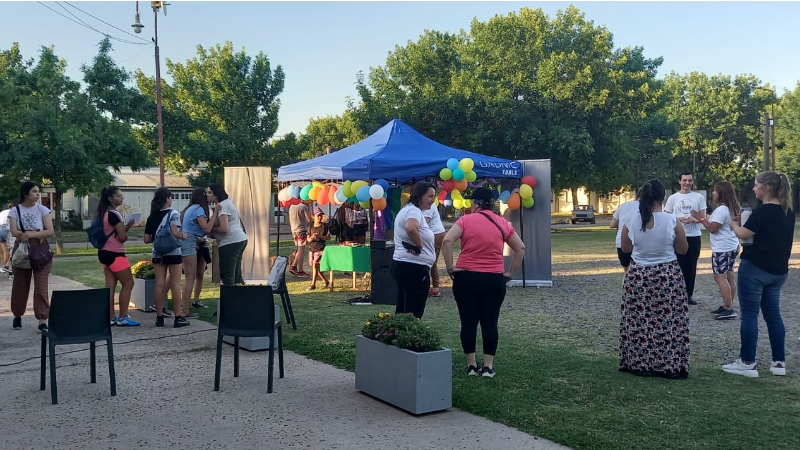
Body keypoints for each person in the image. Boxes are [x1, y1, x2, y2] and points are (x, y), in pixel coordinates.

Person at [441, 187, 525, 379]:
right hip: (493, 278)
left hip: (466, 276)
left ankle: (471, 365)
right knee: (490, 322)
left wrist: (449, 267)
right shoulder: (502, 223)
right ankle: (488, 367)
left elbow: (447, 241)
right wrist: (510, 272)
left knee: (468, 321)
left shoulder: (464, 221)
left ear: (476, 203)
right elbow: (520, 247)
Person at [723, 171, 794, 378]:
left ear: (766, 188)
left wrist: (734, 224)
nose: (753, 189)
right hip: (778, 271)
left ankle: (747, 363)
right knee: (773, 316)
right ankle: (778, 362)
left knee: (749, 317)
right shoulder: (787, 211)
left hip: (755, 269)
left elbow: (744, 234)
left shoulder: (763, 211)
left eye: (756, 185)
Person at [619, 179, 690, 379]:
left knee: (638, 320)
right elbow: (683, 249)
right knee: (669, 320)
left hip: (638, 276)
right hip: (666, 275)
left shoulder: (632, 220)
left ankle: (639, 362)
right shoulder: (672, 220)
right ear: (662, 198)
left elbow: (626, 248)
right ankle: (668, 364)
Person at [691, 181, 740, 320]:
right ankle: (727, 304)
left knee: (720, 277)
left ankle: (729, 309)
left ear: (721, 193)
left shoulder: (721, 210)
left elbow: (713, 228)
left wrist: (700, 217)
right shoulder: (732, 208)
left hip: (722, 248)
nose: (713, 193)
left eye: (715, 191)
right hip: (732, 245)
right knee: (729, 275)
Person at [8, 182, 54, 331]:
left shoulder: (43, 209)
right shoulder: (15, 211)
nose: (37, 194)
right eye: (34, 191)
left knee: (41, 285)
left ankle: (42, 319)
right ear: (25, 194)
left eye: (38, 191)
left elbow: (49, 230)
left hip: (40, 249)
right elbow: (14, 231)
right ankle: (17, 314)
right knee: (20, 284)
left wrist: (30, 234)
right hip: (22, 248)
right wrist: (32, 234)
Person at [144, 187, 189, 328]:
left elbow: (146, 239)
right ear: (167, 199)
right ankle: (178, 317)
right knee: (175, 283)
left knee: (159, 284)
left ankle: (159, 317)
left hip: (157, 252)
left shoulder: (152, 216)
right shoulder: (173, 213)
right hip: (173, 251)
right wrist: (183, 235)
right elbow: (175, 232)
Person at [391, 182, 437, 319]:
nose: (432, 200)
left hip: (405, 265)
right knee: (413, 312)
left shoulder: (408, 209)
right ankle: (406, 338)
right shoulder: (413, 211)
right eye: (430, 196)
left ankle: (396, 337)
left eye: (434, 196)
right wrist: (420, 246)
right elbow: (411, 228)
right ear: (419, 195)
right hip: (413, 268)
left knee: (403, 310)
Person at [96, 186, 140, 327]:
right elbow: (121, 238)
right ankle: (123, 317)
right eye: (119, 196)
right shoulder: (115, 214)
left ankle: (110, 316)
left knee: (110, 286)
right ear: (110, 198)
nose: (122, 198)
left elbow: (112, 232)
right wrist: (125, 231)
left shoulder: (103, 212)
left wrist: (126, 227)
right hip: (116, 253)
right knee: (128, 283)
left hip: (104, 252)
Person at [663, 171, 706, 305]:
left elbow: (703, 216)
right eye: (685, 180)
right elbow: (666, 217)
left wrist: (696, 219)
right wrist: (677, 219)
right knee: (677, 266)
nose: (687, 183)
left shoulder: (698, 197)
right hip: (677, 236)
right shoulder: (673, 198)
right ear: (679, 181)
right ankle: (676, 294)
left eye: (689, 180)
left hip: (693, 236)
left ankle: (688, 295)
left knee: (691, 266)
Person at [180, 187, 215, 315]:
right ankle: (185, 310)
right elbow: (206, 229)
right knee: (190, 277)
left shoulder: (189, 208)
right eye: (205, 194)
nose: (207, 195)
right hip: (189, 242)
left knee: (191, 276)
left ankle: (184, 308)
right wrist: (215, 213)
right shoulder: (199, 209)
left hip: (190, 241)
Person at [206, 184, 248, 286]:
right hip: (240, 239)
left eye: (210, 192)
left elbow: (224, 229)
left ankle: (230, 299)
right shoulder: (229, 203)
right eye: (206, 192)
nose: (207, 195)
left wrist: (212, 229)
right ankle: (241, 296)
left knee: (227, 274)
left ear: (217, 194)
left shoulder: (222, 206)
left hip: (230, 242)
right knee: (236, 274)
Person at [609, 192, 639, 269]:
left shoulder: (623, 206)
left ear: (636, 196)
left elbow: (612, 224)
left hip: (621, 242)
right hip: (639, 243)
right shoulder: (648, 207)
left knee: (627, 273)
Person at [423, 203, 446, 297]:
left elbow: (425, 222)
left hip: (435, 234)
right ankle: (434, 287)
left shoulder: (428, 205)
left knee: (431, 261)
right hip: (435, 233)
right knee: (431, 260)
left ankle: (434, 287)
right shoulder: (424, 204)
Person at [306, 207, 331, 291]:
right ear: (313, 217)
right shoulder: (310, 227)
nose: (320, 217)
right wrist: (312, 238)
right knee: (316, 267)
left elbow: (329, 237)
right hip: (312, 249)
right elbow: (308, 239)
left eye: (321, 216)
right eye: (318, 216)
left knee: (315, 265)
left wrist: (320, 236)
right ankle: (326, 281)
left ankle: (313, 284)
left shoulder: (324, 226)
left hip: (320, 249)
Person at [288, 199, 312, 277]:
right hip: (301, 229)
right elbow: (309, 219)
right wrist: (309, 209)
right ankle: (300, 271)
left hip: (294, 230)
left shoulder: (292, 206)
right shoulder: (303, 206)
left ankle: (294, 266)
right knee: (301, 250)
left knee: (299, 249)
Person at [0, 203, 10, 273]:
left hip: (0, 228)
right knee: (12, 249)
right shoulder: (12, 212)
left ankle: (4, 266)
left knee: (4, 250)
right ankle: (7, 265)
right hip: (7, 229)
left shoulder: (2, 212)